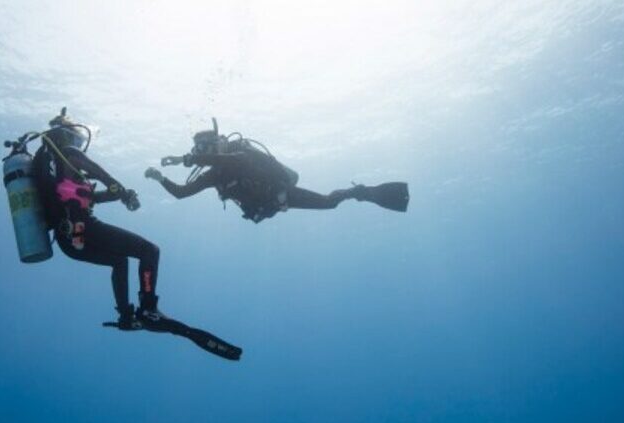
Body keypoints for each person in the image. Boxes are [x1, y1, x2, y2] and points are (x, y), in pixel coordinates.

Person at [32, 111, 165, 330]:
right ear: (68, 135)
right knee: (150, 251)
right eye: (77, 139)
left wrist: (118, 194)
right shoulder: (70, 153)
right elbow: (105, 177)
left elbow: (92, 198)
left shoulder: (52, 168)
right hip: (84, 228)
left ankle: (126, 317)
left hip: (69, 243)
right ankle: (149, 309)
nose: (79, 145)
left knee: (119, 261)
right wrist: (124, 194)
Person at [146, 120, 410, 223]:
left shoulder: (240, 152)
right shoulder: (212, 175)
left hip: (281, 193)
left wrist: (186, 158)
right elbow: (181, 193)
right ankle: (361, 193)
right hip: (267, 207)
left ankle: (362, 192)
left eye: (205, 146)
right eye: (198, 148)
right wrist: (161, 179)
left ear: (218, 143)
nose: (201, 152)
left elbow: (232, 162)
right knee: (327, 205)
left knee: (329, 203)